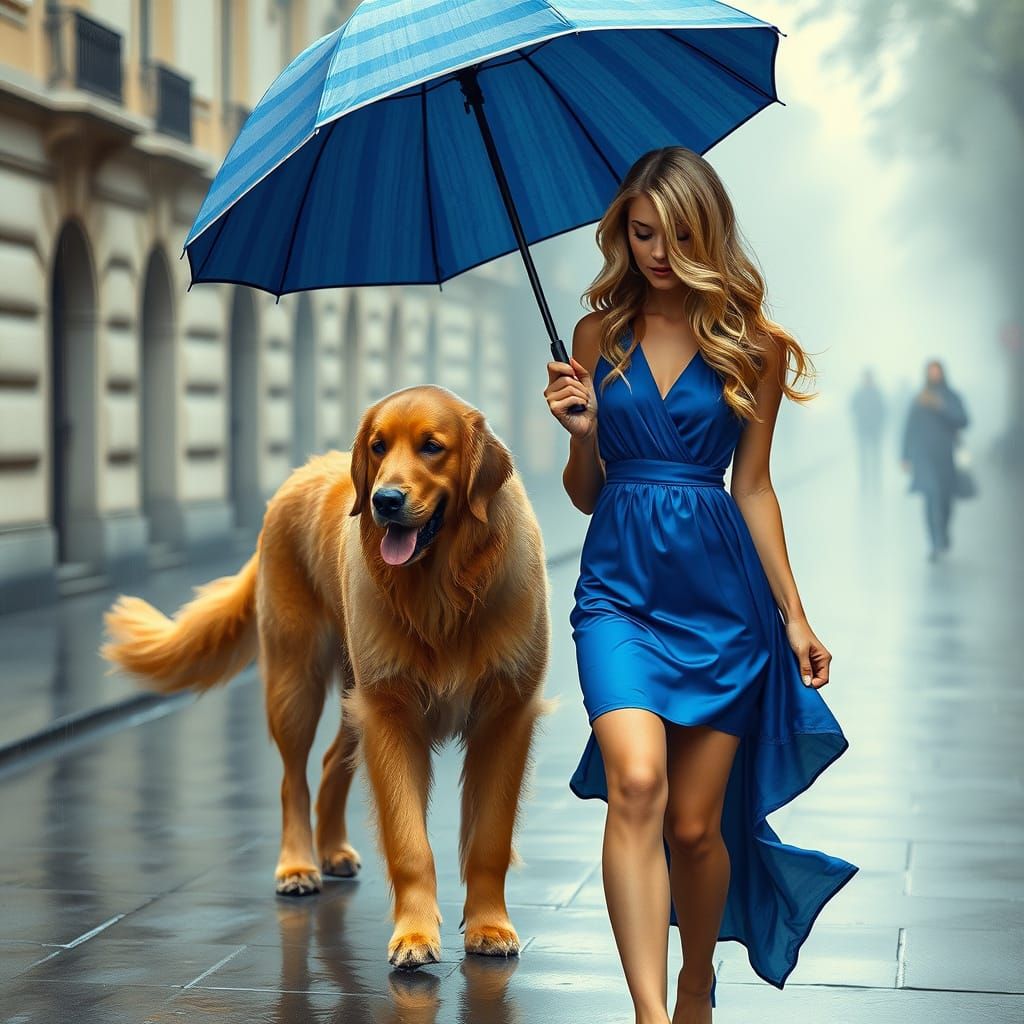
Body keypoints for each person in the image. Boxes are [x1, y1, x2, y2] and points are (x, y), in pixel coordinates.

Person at [542, 147, 858, 1024]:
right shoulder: (595, 339)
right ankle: (652, 1013)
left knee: (693, 827)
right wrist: (581, 434)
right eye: (643, 233)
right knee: (636, 783)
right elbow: (587, 495)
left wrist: (795, 616)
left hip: (722, 604)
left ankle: (694, 984)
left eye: (677, 236)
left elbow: (752, 488)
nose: (657, 252)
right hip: (617, 594)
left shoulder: (753, 347)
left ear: (707, 234)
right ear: (624, 233)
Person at [900, 359, 969, 560]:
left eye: (937, 371)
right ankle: (934, 542)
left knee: (945, 499)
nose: (934, 375)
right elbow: (908, 428)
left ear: (943, 373)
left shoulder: (952, 397)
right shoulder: (919, 399)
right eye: (931, 372)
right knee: (931, 497)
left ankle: (943, 533)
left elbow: (963, 421)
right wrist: (905, 455)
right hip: (923, 457)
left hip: (946, 457)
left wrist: (942, 407)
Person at [849, 368, 887, 492]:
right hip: (864, 430)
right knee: (864, 458)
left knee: (874, 457)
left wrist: (879, 424)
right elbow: (852, 407)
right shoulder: (860, 393)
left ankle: (875, 481)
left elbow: (883, 411)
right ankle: (865, 481)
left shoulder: (875, 393)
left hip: (873, 430)